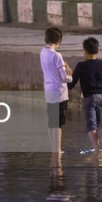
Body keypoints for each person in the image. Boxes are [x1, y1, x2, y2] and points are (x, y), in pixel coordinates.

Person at [68, 37, 102, 152]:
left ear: (85, 51)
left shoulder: (81, 66)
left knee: (91, 124)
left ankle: (97, 149)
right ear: (97, 50)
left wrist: (63, 83)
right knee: (101, 118)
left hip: (89, 97)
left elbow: (71, 84)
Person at [40, 27, 72, 170]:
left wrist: (63, 66)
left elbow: (53, 68)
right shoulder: (57, 55)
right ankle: (57, 150)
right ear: (58, 40)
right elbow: (63, 77)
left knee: (51, 121)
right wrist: (71, 76)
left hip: (48, 91)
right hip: (59, 92)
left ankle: (52, 148)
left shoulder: (42, 52)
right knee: (58, 123)